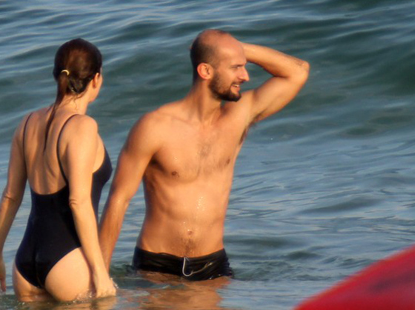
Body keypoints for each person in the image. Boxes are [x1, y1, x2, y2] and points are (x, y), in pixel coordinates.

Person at [99, 29, 310, 280]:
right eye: (235, 67)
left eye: (243, 66)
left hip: (214, 267)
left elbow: (297, 71)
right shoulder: (154, 127)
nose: (245, 76)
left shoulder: (237, 118)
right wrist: (99, 276)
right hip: (156, 268)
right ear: (205, 71)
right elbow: (118, 201)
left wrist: (237, 49)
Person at [0, 38, 116, 301]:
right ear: (96, 79)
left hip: (25, 263)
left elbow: (10, 196)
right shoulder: (82, 127)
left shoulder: (27, 123)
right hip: (67, 261)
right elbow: (78, 202)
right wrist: (100, 273)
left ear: (56, 76)